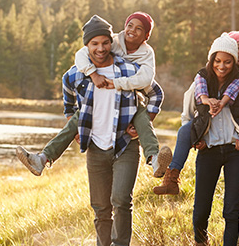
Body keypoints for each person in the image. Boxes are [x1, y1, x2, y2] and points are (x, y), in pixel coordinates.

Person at [61, 15, 163, 246]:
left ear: (111, 43)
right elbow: (67, 93)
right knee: (100, 208)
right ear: (87, 46)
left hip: (124, 144)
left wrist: (144, 119)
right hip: (95, 146)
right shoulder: (79, 72)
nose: (101, 48)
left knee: (121, 201)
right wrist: (73, 121)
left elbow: (155, 91)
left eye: (105, 43)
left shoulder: (129, 68)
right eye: (94, 43)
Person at [16, 12, 171, 180]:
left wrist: (146, 118)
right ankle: (42, 159)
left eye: (139, 28)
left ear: (146, 36)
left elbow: (149, 82)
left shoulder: (145, 55)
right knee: (78, 117)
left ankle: (154, 159)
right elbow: (82, 54)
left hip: (130, 100)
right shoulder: (112, 42)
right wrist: (93, 74)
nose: (132, 30)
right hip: (99, 100)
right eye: (130, 25)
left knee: (141, 115)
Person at [178, 34, 239, 246]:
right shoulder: (200, 85)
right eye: (218, 61)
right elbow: (186, 117)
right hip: (208, 152)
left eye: (227, 61)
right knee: (200, 208)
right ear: (212, 60)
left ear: (233, 62)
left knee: (232, 209)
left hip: (235, 153)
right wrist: (195, 138)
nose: (222, 66)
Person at [153, 31, 239, 195]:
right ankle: (172, 176)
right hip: (209, 138)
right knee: (184, 131)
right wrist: (197, 137)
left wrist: (223, 102)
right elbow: (189, 109)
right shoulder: (204, 77)